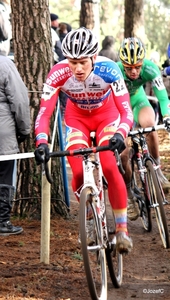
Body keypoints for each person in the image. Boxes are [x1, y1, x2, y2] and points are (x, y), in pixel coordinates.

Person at [34, 27, 134, 254]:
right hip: (76, 118)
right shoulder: (57, 73)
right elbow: (44, 113)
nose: (77, 69)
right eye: (72, 62)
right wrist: (41, 141)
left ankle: (121, 230)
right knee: (78, 172)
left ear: (94, 58)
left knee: (109, 165)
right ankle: (89, 214)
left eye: (83, 62)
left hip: (106, 116)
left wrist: (120, 133)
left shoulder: (109, 69)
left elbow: (126, 111)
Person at [117, 37, 170, 221]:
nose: (133, 71)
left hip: (139, 100)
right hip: (120, 106)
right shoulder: (114, 70)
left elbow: (163, 98)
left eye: (137, 67)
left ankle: (157, 169)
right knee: (123, 153)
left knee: (149, 126)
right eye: (129, 67)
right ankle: (130, 194)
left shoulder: (150, 69)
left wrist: (167, 116)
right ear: (122, 63)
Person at [0, 11, 30, 235]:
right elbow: (20, 100)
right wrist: (25, 130)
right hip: (3, 134)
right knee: (4, 175)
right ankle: (2, 221)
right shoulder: (5, 65)